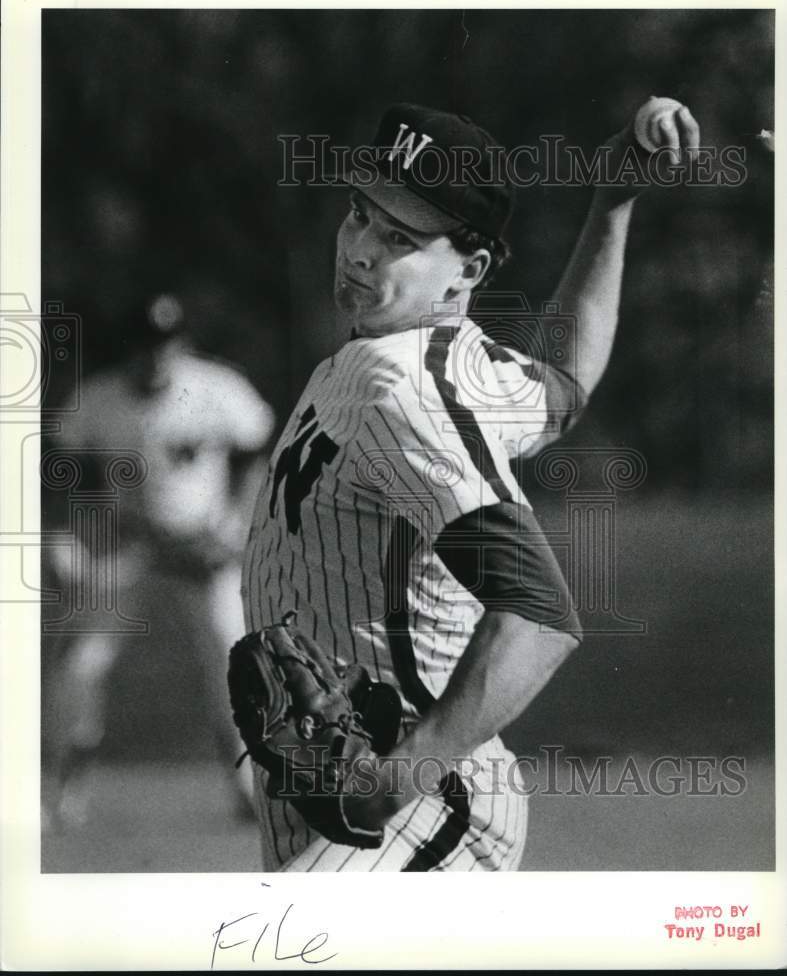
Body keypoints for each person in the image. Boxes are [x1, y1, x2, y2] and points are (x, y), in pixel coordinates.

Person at [241, 101, 700, 871]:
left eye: (400, 238)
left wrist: (391, 785)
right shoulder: (446, 364)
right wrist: (612, 199)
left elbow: (540, 618)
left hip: (416, 802)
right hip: (359, 788)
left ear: (470, 271)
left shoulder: (402, 387)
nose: (360, 250)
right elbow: (562, 385)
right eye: (359, 213)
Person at [42, 296, 275, 827]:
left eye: (166, 343)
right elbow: (64, 478)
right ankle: (65, 789)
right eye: (147, 344)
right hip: (130, 545)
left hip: (202, 546)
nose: (155, 355)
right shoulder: (97, 399)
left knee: (235, 661)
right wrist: (67, 537)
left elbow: (256, 456)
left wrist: (234, 529)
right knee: (80, 665)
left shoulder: (217, 388)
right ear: (130, 347)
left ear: (182, 344)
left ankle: (250, 787)